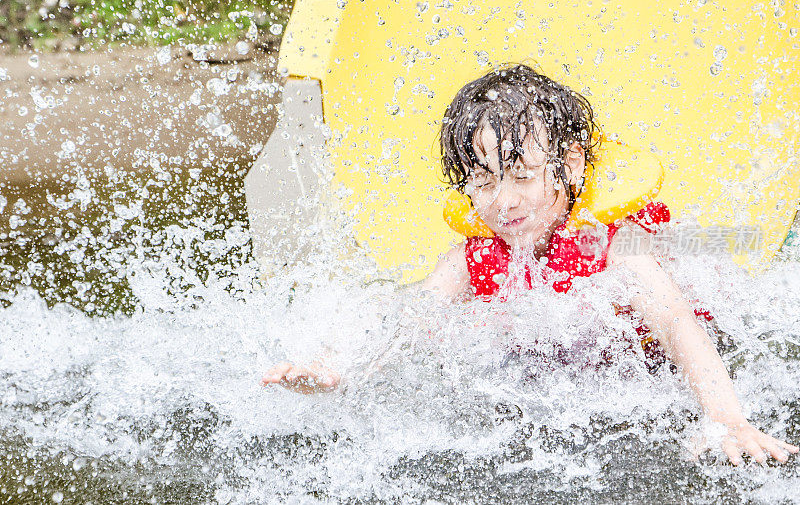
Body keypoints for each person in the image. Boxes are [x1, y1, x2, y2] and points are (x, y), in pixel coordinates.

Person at [262, 63, 798, 465]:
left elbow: (678, 323)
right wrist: (340, 364)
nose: (503, 201)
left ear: (568, 165)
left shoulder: (612, 247)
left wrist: (727, 419)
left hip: (650, 366)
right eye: (483, 180)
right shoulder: (473, 258)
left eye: (521, 175)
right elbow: (410, 314)